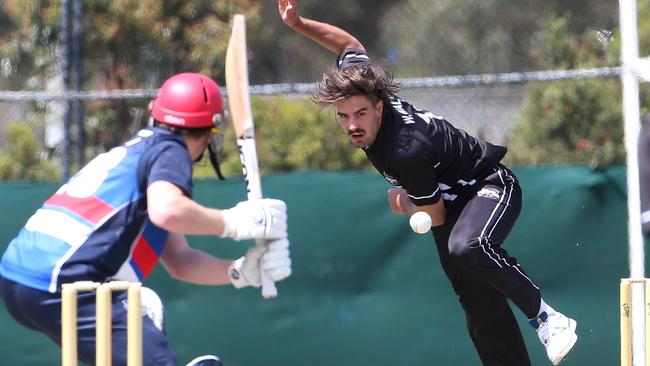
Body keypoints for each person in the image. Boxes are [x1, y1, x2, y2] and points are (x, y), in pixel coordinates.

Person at [278, 1, 576, 365]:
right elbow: (349, 45)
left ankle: (548, 318)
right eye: (343, 116)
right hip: (447, 201)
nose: (352, 125)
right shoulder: (367, 89)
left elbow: (433, 215)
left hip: (489, 185)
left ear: (379, 107)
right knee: (479, 308)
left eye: (360, 114)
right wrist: (297, 22)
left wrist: (403, 201)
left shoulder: (405, 150)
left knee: (467, 247)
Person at [0, 72, 292, 366]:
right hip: (63, 284)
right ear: (208, 133)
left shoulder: (139, 154)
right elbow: (168, 210)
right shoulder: (170, 150)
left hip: (20, 281)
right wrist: (234, 222)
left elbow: (180, 261)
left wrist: (239, 272)